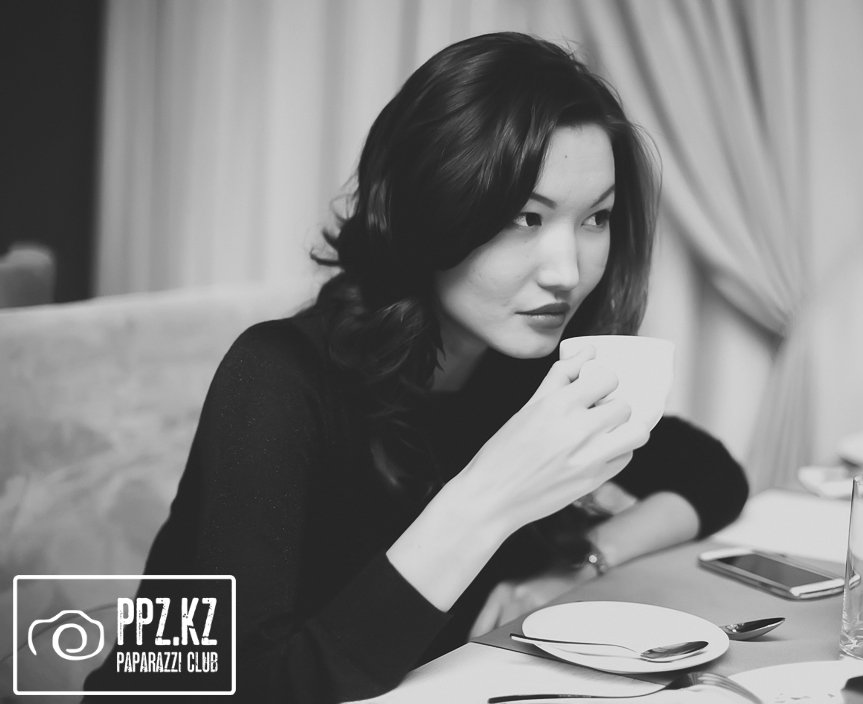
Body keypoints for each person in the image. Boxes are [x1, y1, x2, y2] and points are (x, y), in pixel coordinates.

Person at [84, 31, 748, 702]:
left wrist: (582, 564)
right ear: (430, 206)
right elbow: (247, 687)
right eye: (527, 217)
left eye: (596, 218)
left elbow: (710, 473)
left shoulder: (516, 368)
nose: (567, 271)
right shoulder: (277, 379)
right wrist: (487, 498)